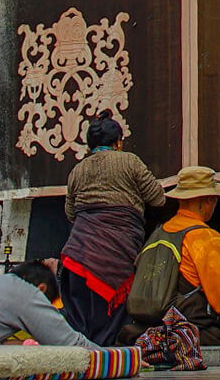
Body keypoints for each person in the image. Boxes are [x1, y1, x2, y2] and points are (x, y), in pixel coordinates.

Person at [58, 114, 167, 344]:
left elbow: (70, 214)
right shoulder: (129, 162)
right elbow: (158, 198)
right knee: (109, 333)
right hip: (116, 259)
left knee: (82, 330)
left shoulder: (77, 170)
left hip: (78, 258)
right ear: (118, 142)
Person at [155, 165, 220, 346]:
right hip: (192, 333)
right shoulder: (206, 239)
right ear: (208, 200)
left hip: (154, 330)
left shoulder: (160, 233)